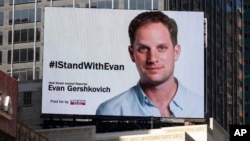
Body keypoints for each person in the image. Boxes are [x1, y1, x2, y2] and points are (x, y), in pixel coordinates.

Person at [96, 11, 203, 118]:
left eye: (161, 48)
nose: (152, 58)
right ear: (132, 54)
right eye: (143, 49)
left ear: (176, 52)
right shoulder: (110, 111)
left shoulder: (201, 107)